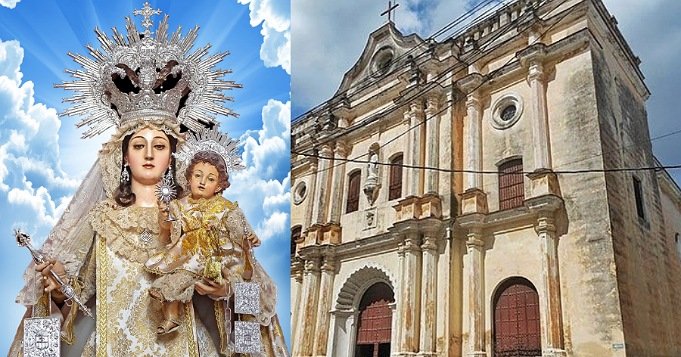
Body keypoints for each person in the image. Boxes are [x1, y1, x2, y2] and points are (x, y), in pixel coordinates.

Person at [9, 4, 288, 356]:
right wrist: (56, 286)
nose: (150, 154)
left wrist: (227, 291)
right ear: (124, 155)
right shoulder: (101, 219)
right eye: (139, 145)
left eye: (160, 145)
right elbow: (79, 295)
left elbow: (253, 290)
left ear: (173, 154)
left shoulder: (199, 217)